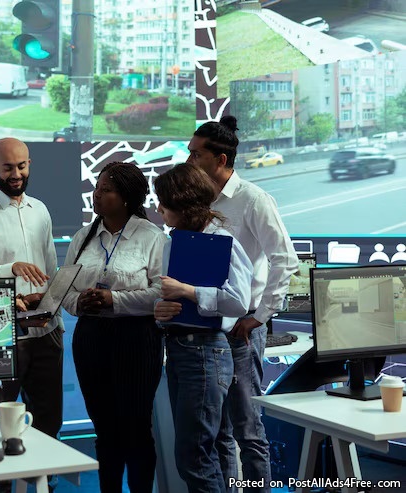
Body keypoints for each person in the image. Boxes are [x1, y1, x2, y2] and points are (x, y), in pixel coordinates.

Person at [186, 116, 298, 492]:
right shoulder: (199, 200)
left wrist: (260, 316)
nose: (188, 161)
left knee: (247, 428)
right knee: (217, 432)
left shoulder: (253, 199)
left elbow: (285, 259)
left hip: (240, 327)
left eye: (196, 154)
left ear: (220, 159)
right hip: (206, 325)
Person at [61, 162, 166, 493]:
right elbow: (63, 291)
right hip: (91, 338)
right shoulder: (83, 237)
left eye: (106, 190)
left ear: (126, 197)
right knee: (104, 429)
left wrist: (114, 300)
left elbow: (162, 294)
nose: (96, 194)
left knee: (135, 429)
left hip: (137, 339)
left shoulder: (152, 238)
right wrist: (81, 303)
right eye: (97, 188)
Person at [152, 164, 253, 493]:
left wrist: (188, 291)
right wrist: (162, 311)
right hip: (181, 349)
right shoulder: (176, 241)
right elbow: (171, 298)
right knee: (214, 448)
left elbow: (238, 302)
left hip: (205, 352)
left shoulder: (222, 241)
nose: (158, 208)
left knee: (194, 456)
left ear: (182, 204)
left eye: (164, 202)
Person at [0, 138, 61, 450]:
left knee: (49, 422)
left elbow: (51, 268)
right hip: (5, 335)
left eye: (21, 166)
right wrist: (10, 269)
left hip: (47, 334)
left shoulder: (40, 210)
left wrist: (57, 320)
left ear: (30, 165)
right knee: (0, 428)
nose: (16, 174)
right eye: (8, 168)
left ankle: (45, 476)